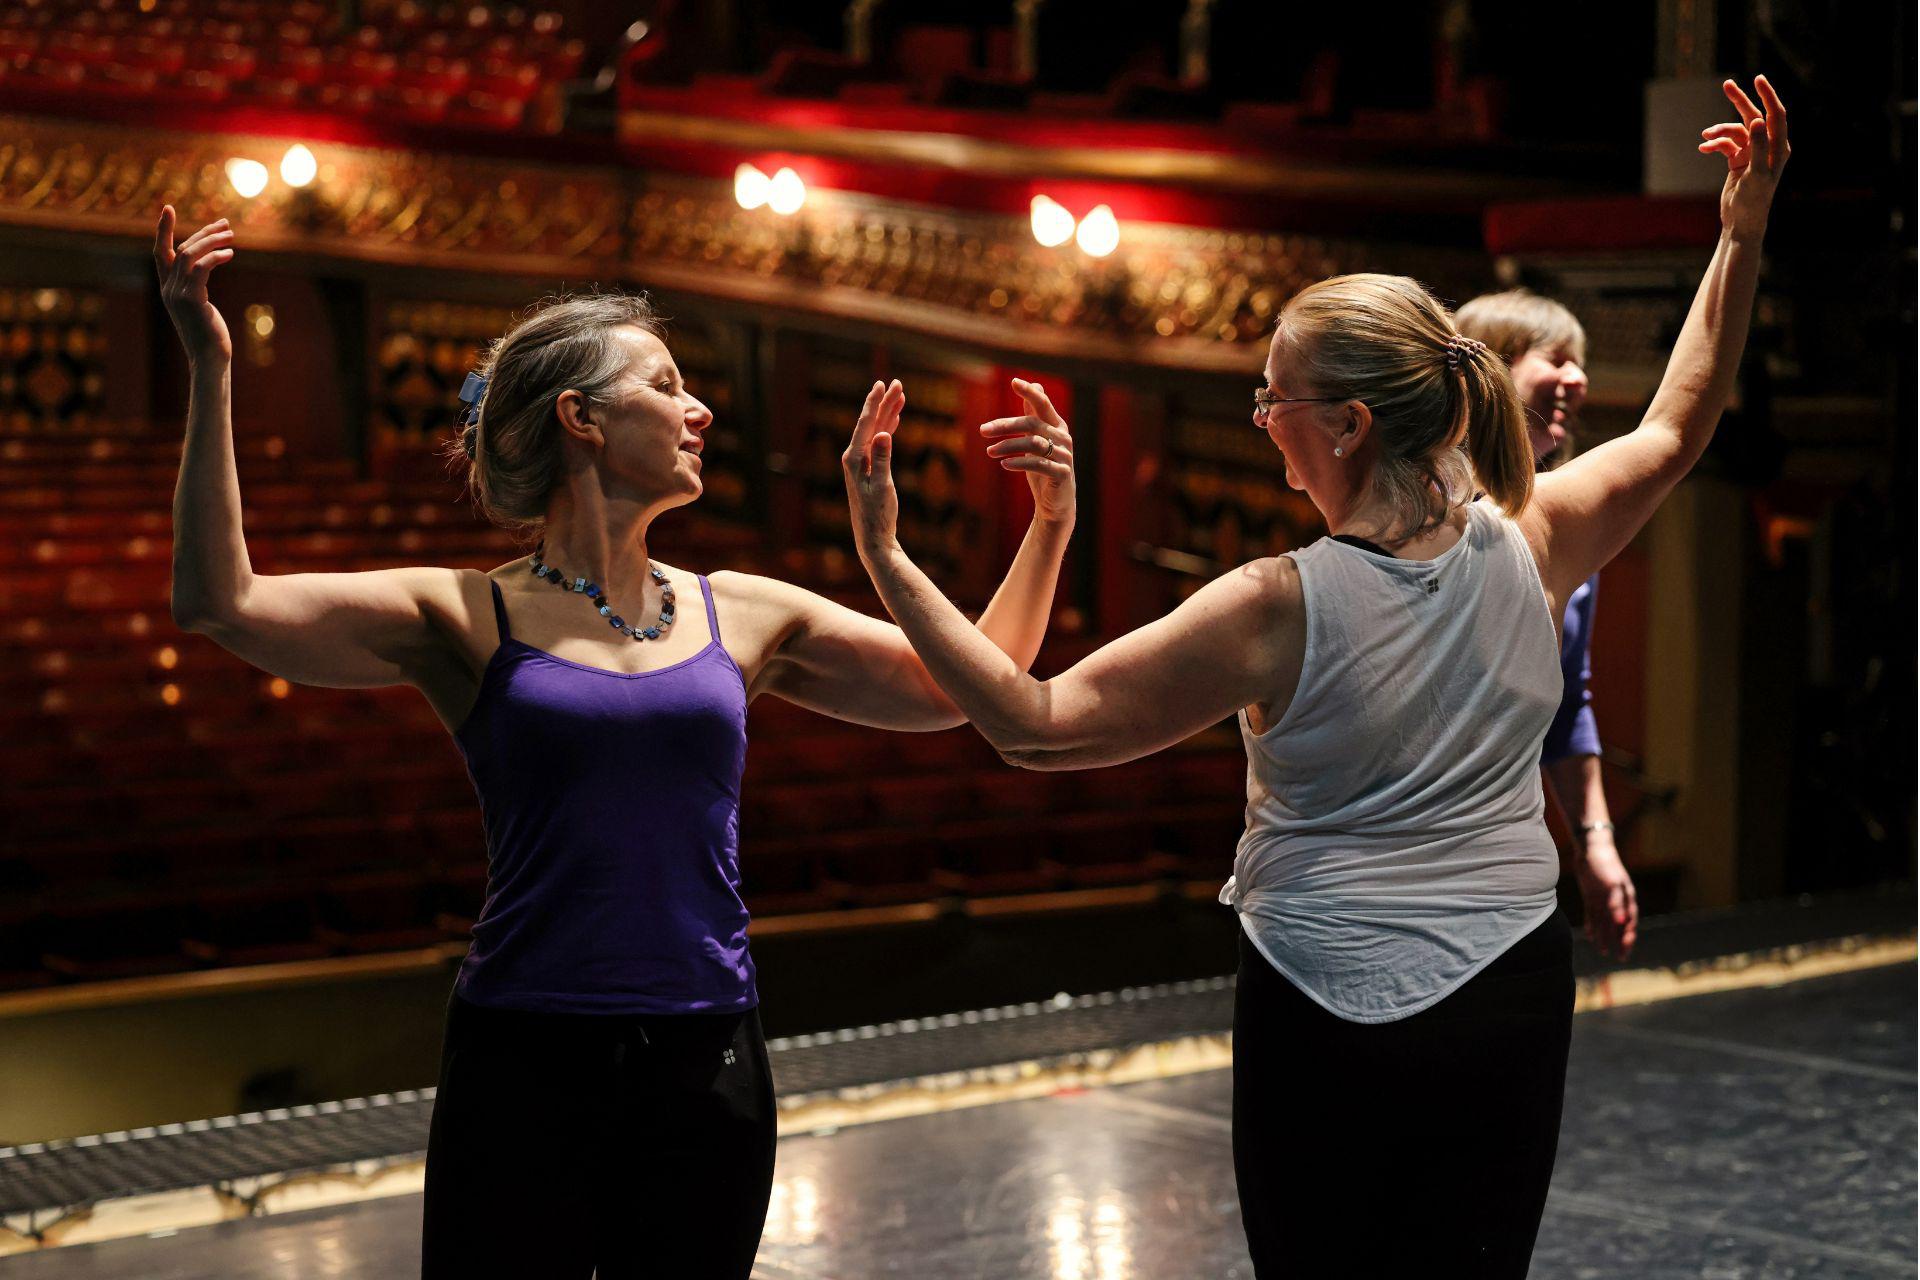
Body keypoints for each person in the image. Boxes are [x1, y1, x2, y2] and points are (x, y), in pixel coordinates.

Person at [841, 78, 1788, 1275]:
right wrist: (1739, 234)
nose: (1260, 417)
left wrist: (886, 554)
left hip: (1325, 1003)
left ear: (1343, 425)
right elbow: (1682, 417)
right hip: (1512, 988)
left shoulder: (1274, 606)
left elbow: (1035, 725)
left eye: (1272, 398)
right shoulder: (1535, 537)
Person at [154, 217, 1078, 1279]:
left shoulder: (744, 610)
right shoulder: (464, 612)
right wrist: (211, 365)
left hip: (707, 1047)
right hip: (524, 1049)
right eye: (668, 385)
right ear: (580, 418)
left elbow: (969, 687)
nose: (701, 408)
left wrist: (1042, 523)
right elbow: (218, 600)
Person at [1454, 288, 1638, 959]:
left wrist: (1596, 844)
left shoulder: (1569, 534)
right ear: (1492, 370)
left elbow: (1567, 710)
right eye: (1557, 358)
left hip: (1504, 866)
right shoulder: (1417, 509)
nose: (1579, 379)